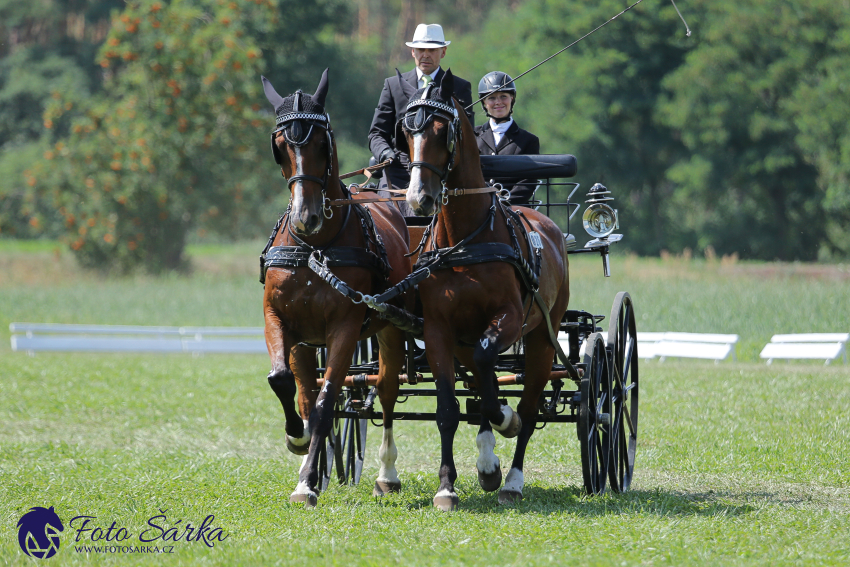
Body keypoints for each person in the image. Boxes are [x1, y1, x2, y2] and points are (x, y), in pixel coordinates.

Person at [368, 24, 474, 217]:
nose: (426, 55)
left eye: (432, 50)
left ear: (443, 52)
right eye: (421, 50)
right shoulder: (393, 86)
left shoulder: (459, 87)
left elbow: (467, 137)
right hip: (398, 174)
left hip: (442, 176)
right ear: (412, 52)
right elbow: (376, 133)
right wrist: (386, 154)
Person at [473, 71, 540, 206]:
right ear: (484, 103)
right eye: (492, 98)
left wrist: (504, 203)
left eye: (503, 96)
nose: (498, 102)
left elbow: (528, 181)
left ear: (512, 99)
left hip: (514, 208)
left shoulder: (529, 140)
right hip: (476, 207)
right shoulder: (472, 136)